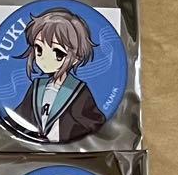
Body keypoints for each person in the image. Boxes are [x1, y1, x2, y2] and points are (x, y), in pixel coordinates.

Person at [6, 8, 105, 143]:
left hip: (68, 148)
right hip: (31, 147)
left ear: (76, 58)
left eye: (58, 53)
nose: (44, 59)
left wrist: (65, 132)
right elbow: (19, 116)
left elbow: (95, 123)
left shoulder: (78, 90)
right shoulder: (37, 86)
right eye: (39, 49)